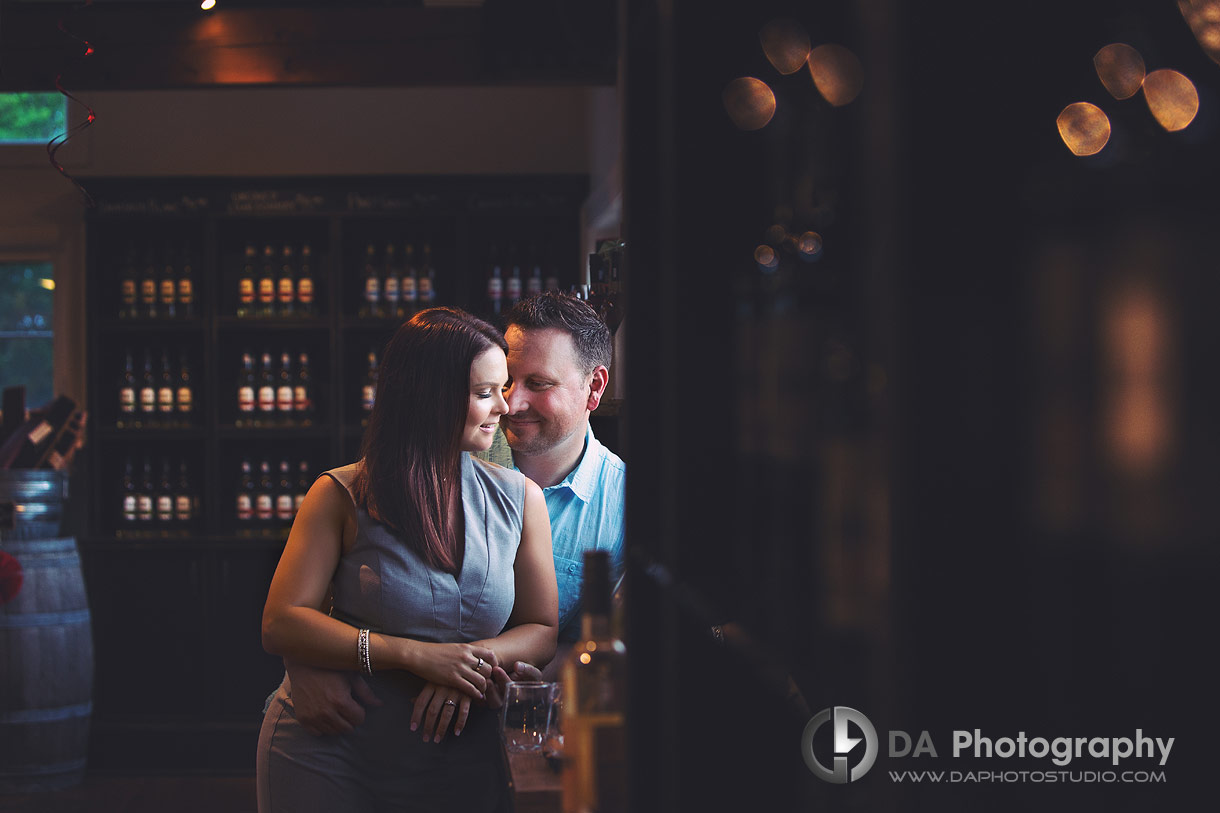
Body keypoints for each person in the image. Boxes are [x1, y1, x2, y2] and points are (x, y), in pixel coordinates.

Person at [256, 307, 558, 812]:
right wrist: (414, 655)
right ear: (429, 398)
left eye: (501, 390)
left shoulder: (522, 498)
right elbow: (280, 623)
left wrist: (466, 666)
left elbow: (541, 629)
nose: (504, 407)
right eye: (486, 394)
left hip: (464, 758)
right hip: (331, 751)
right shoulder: (339, 494)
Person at [282, 292, 625, 734]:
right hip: (359, 719)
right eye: (502, 384)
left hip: (523, 732)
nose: (511, 404)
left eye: (538, 385)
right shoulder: (445, 448)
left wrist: (473, 669)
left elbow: (602, 647)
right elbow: (337, 590)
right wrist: (304, 668)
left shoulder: (626, 505)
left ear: (595, 387)